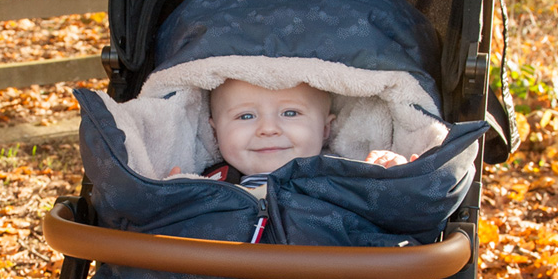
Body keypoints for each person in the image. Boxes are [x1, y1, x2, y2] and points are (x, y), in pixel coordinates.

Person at [170, 78, 411, 189]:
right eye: (246, 116)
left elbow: (400, 225)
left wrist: (396, 184)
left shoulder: (347, 180)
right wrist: (170, 200)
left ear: (325, 129)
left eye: (291, 113)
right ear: (215, 133)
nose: (268, 129)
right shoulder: (206, 186)